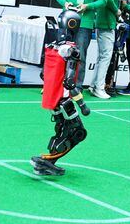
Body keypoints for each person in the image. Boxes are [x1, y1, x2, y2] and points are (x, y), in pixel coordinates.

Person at [30, 10, 90, 176]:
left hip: (52, 98)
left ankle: (47, 161)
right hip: (64, 99)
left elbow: (44, 73)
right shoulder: (71, 50)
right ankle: (48, 162)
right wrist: (83, 105)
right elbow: (70, 82)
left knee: (63, 130)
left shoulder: (52, 45)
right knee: (77, 132)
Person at [54, 0, 106, 92]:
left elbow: (103, 1)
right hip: (66, 20)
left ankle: (76, 86)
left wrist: (88, 6)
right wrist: (65, 3)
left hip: (85, 23)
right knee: (61, 53)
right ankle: (56, 85)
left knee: (80, 55)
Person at [89, 0, 130, 99]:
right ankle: (99, 87)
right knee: (105, 57)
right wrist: (117, 11)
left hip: (103, 22)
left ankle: (93, 85)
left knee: (101, 57)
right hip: (106, 23)